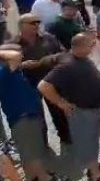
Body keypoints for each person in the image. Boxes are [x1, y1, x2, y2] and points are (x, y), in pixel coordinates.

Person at [38, 33, 100, 181]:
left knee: (91, 140)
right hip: (82, 111)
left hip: (92, 108)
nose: (94, 46)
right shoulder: (67, 65)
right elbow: (43, 86)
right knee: (86, 142)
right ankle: (95, 176)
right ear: (79, 47)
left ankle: (93, 164)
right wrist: (61, 103)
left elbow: (50, 59)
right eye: (90, 44)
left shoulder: (76, 58)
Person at [0, 47, 68, 181]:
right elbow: (15, 55)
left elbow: (16, 56)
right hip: (24, 116)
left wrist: (21, 64)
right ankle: (44, 179)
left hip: (22, 116)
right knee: (32, 149)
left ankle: (32, 176)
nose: (21, 55)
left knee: (27, 148)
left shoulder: (9, 71)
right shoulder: (4, 72)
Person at [15, 12, 72, 148]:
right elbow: (5, 65)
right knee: (36, 114)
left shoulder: (48, 38)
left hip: (50, 81)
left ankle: (65, 136)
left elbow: (62, 53)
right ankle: (42, 143)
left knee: (58, 111)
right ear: (22, 26)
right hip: (28, 84)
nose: (36, 25)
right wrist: (22, 65)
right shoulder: (13, 44)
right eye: (32, 23)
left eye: (38, 22)